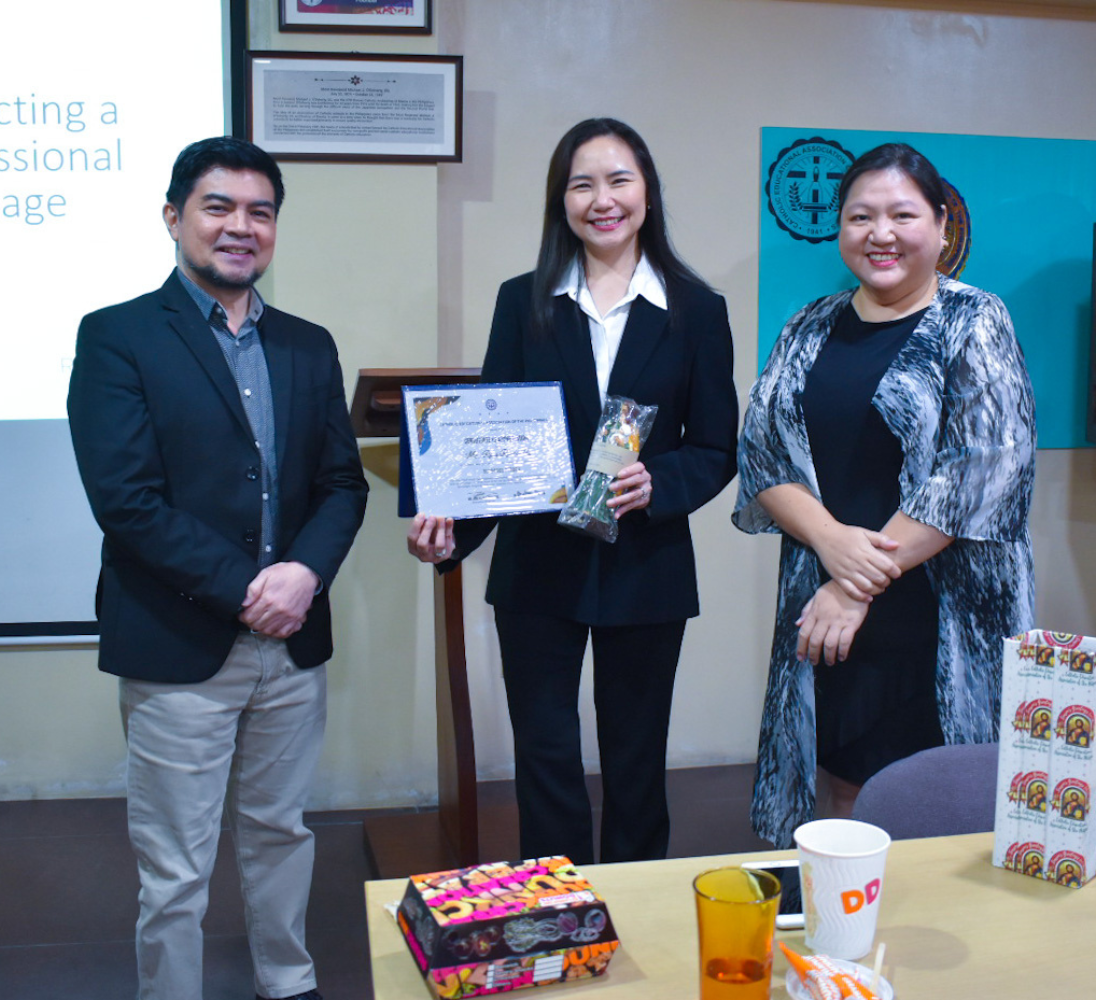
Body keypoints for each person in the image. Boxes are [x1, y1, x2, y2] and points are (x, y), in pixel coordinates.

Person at [67, 136, 368, 1000]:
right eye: (218, 207)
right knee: (175, 867)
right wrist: (250, 591)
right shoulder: (117, 337)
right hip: (178, 636)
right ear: (174, 217)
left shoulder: (308, 346)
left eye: (260, 212)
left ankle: (289, 979)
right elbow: (125, 500)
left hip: (293, 641)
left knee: (281, 829)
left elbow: (342, 484)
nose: (241, 227)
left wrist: (304, 574)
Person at [407, 118, 738, 864]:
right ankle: (556, 914)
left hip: (646, 567)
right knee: (546, 758)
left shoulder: (696, 310)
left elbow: (718, 447)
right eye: (582, 184)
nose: (602, 199)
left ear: (647, 193)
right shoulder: (521, 301)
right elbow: (491, 441)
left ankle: (637, 908)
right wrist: (448, 532)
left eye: (618, 179)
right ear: (562, 201)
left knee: (635, 759)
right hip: (538, 568)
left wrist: (661, 482)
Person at [733, 142, 1035, 847]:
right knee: (841, 778)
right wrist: (835, 549)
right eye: (861, 216)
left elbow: (983, 470)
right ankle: (849, 933)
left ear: (940, 225)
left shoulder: (975, 319)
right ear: (840, 230)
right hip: (825, 598)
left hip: (939, 606)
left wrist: (858, 580)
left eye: (903, 214)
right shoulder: (808, 325)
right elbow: (762, 452)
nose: (881, 233)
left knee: (937, 791)